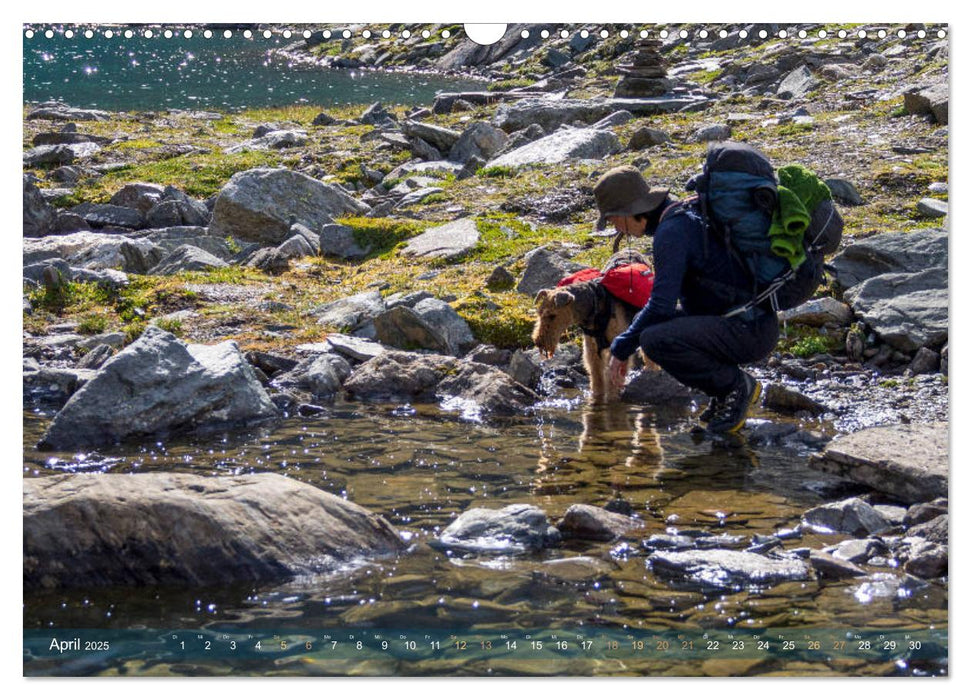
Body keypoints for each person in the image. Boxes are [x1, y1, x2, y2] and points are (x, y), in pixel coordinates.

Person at [593, 165, 780, 433]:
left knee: (654, 340)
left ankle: (736, 387)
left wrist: (622, 347)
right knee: (655, 329)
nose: (616, 229)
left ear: (629, 212)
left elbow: (660, 305)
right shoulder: (682, 214)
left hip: (748, 329)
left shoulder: (671, 233)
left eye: (612, 221)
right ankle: (723, 394)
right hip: (747, 321)